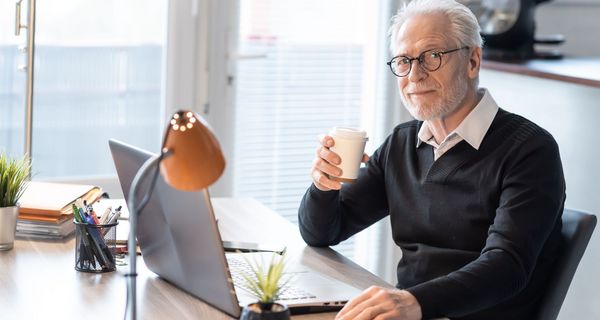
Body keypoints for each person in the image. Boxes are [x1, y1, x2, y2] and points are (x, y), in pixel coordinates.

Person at [297, 0, 566, 319]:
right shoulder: (403, 143)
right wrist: (324, 185)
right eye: (403, 60)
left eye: (432, 56)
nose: (414, 75)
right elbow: (323, 232)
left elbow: (506, 266)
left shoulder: (530, 150)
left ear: (473, 61)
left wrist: (414, 302)